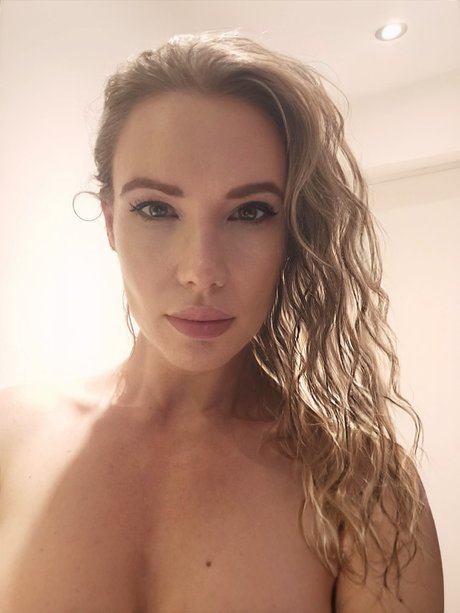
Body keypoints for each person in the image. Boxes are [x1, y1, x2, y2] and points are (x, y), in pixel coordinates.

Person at [0, 31, 443, 612]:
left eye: (250, 212)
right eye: (156, 208)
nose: (202, 271)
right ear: (110, 221)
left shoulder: (362, 490)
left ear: (292, 232)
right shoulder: (9, 438)